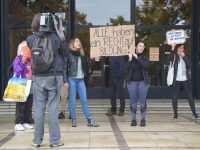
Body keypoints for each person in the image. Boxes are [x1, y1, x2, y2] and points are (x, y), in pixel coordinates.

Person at [27, 13, 69, 147]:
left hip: (39, 77)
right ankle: (55, 141)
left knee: (38, 108)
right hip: (55, 75)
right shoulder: (56, 37)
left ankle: (37, 141)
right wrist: (60, 32)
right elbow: (66, 53)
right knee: (52, 107)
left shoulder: (30, 39)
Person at [64, 38, 99, 127]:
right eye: (76, 41)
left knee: (84, 100)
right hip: (71, 79)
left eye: (79, 41)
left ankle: (89, 120)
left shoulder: (82, 55)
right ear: (72, 44)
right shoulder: (68, 54)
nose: (78, 43)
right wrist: (65, 81)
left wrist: (92, 59)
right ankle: (73, 119)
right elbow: (64, 69)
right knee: (72, 100)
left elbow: (87, 68)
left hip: (81, 80)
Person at [170, 43, 199, 120]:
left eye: (182, 48)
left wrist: (184, 57)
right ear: (177, 49)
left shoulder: (185, 56)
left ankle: (194, 113)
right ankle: (175, 114)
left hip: (185, 80)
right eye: (179, 48)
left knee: (190, 97)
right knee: (174, 98)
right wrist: (172, 48)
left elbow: (189, 65)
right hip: (177, 80)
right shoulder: (175, 57)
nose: (181, 49)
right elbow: (171, 57)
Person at [126, 41, 150, 127]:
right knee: (133, 102)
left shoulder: (144, 57)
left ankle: (143, 120)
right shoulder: (131, 57)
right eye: (140, 45)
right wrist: (129, 59)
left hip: (143, 82)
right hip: (132, 82)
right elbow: (126, 68)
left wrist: (138, 58)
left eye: (143, 46)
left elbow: (146, 66)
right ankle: (133, 120)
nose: (142, 47)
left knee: (142, 101)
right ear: (136, 47)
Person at [13, 41, 34, 131]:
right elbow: (17, 71)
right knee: (21, 104)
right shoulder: (18, 59)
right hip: (21, 84)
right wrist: (22, 62)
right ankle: (18, 122)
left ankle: (26, 121)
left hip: (30, 84)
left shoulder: (31, 60)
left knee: (29, 104)